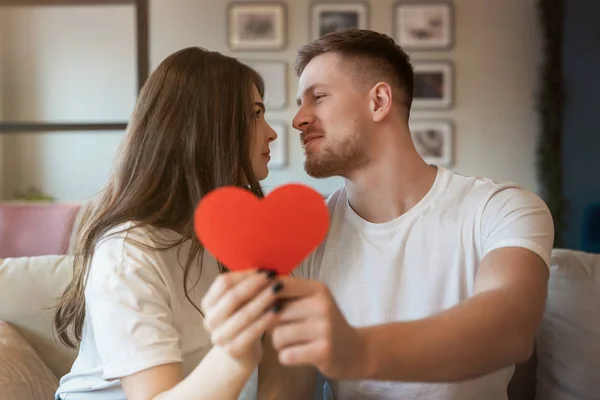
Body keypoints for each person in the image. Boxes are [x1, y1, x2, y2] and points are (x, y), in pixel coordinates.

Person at [203, 29, 555, 399]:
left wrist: (355, 349)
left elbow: (510, 327)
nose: (297, 120)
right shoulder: (303, 237)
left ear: (379, 101)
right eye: (299, 103)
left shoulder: (501, 209)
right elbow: (287, 388)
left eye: (318, 97)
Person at [52, 47, 286, 400]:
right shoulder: (127, 251)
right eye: (256, 115)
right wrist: (237, 352)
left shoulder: (227, 237)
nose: (272, 133)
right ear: (208, 127)